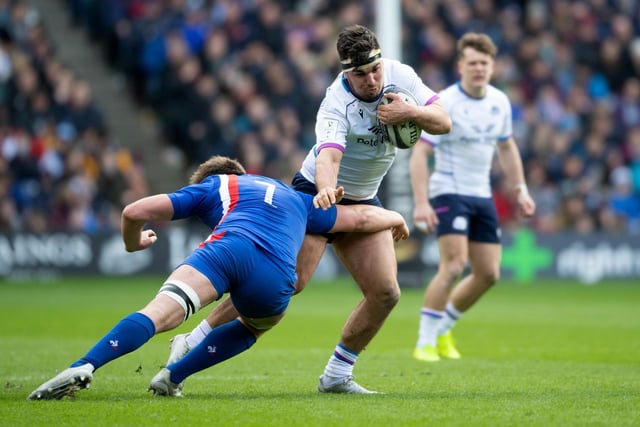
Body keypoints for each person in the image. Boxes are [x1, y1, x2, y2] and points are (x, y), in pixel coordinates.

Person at [163, 24, 452, 394]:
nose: (372, 79)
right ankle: (193, 338)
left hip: (364, 198)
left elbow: (443, 121)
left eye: (375, 69)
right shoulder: (335, 103)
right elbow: (329, 156)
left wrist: (409, 112)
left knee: (386, 293)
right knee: (287, 284)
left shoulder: (402, 76)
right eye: (360, 74)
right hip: (315, 194)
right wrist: (327, 191)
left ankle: (336, 375)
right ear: (346, 71)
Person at [27, 156, 411, 400]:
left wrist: (133, 245)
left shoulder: (214, 187)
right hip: (277, 272)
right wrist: (396, 216)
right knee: (255, 326)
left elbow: (133, 210)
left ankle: (86, 364)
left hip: (229, 248)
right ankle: (173, 377)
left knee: (161, 312)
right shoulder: (294, 196)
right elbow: (359, 218)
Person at [409, 32, 536, 363]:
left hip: (481, 193)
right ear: (460, 66)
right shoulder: (445, 102)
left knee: (489, 273)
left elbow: (506, 148)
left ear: (492, 67)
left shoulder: (499, 102)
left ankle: (443, 327)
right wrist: (421, 202)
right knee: (453, 265)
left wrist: (520, 189)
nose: (479, 68)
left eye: (484, 63)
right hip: (449, 189)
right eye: (473, 63)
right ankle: (424, 341)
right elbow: (420, 155)